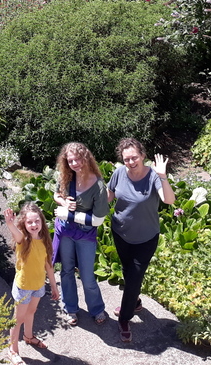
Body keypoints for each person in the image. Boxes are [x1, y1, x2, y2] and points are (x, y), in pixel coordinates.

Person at [106, 137, 176, 343]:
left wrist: (163, 176)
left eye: (134, 157)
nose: (130, 162)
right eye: (126, 159)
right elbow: (109, 196)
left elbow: (169, 200)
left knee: (134, 277)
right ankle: (135, 301)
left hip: (146, 238)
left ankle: (125, 319)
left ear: (143, 156)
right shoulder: (119, 173)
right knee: (128, 272)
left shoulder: (154, 176)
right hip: (121, 233)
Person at [52, 142, 109, 327]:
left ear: (86, 158)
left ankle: (97, 309)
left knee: (87, 275)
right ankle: (70, 308)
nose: (74, 163)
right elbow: (56, 195)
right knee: (66, 271)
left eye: (78, 159)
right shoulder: (66, 177)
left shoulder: (98, 185)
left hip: (85, 235)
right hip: (66, 232)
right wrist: (63, 202)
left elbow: (98, 220)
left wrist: (69, 214)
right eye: (70, 161)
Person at [3, 202, 59, 364]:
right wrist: (9, 223)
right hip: (24, 287)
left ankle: (29, 337)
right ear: (24, 224)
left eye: (37, 221)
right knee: (18, 318)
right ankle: (13, 350)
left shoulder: (45, 240)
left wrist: (54, 286)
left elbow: (48, 265)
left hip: (39, 285)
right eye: (29, 222)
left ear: (42, 221)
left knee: (31, 312)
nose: (34, 225)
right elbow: (16, 233)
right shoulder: (23, 240)